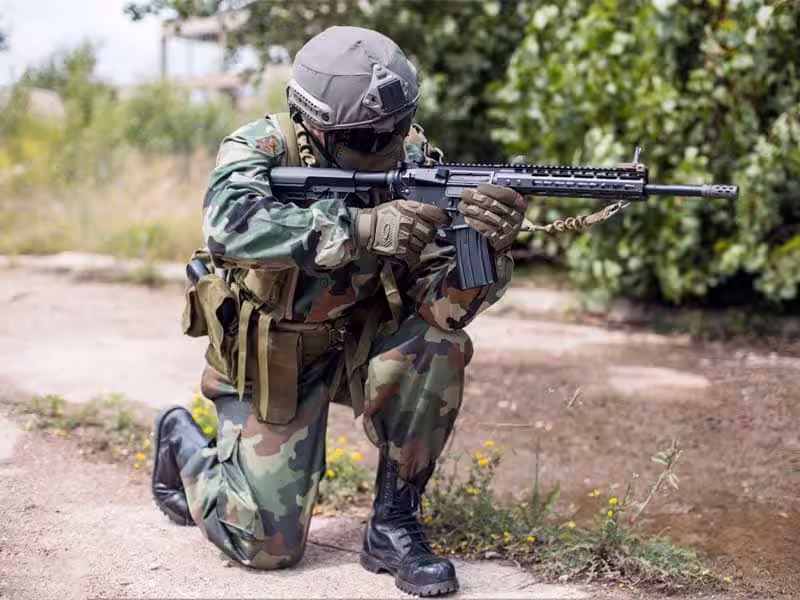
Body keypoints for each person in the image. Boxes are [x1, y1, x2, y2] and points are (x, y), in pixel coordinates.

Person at [151, 25, 526, 597]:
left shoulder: (415, 158)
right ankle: (183, 443)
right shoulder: (261, 148)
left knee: (437, 345)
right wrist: (361, 227)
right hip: (273, 357)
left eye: (397, 131)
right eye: (368, 140)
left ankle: (393, 525)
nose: (389, 148)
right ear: (317, 127)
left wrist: (487, 249)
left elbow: (440, 307)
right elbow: (229, 227)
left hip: (360, 343)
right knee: (266, 546)